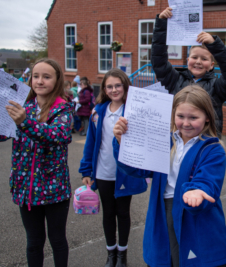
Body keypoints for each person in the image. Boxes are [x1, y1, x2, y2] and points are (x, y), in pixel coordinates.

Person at [113, 85, 226, 267]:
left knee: (188, 259)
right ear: (173, 114)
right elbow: (138, 169)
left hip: (193, 211)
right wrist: (124, 143)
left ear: (207, 117)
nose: (186, 123)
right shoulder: (164, 141)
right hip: (163, 210)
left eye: (193, 117)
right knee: (166, 257)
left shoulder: (213, 149)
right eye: (180, 116)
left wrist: (197, 191)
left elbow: (208, 180)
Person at [0, 58, 74, 267]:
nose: (40, 81)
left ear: (57, 80)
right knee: (33, 243)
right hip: (26, 188)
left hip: (54, 189)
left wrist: (24, 121)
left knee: (57, 241)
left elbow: (56, 135)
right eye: (36, 76)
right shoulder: (23, 106)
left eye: (46, 77)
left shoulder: (63, 109)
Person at [79, 69, 147, 267]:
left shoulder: (133, 110)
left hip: (125, 172)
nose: (114, 89)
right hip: (103, 171)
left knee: (123, 213)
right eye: (109, 86)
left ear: (125, 86)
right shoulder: (97, 111)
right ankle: (111, 253)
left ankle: (122, 255)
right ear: (104, 89)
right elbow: (91, 143)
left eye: (118, 85)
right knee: (108, 213)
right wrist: (86, 171)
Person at [151, 7, 226, 136]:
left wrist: (215, 45)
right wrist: (162, 25)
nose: (198, 61)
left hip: (205, 144)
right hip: (177, 141)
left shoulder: (217, 88)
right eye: (194, 57)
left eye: (204, 59)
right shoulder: (175, 80)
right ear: (188, 60)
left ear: (211, 65)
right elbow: (158, 61)